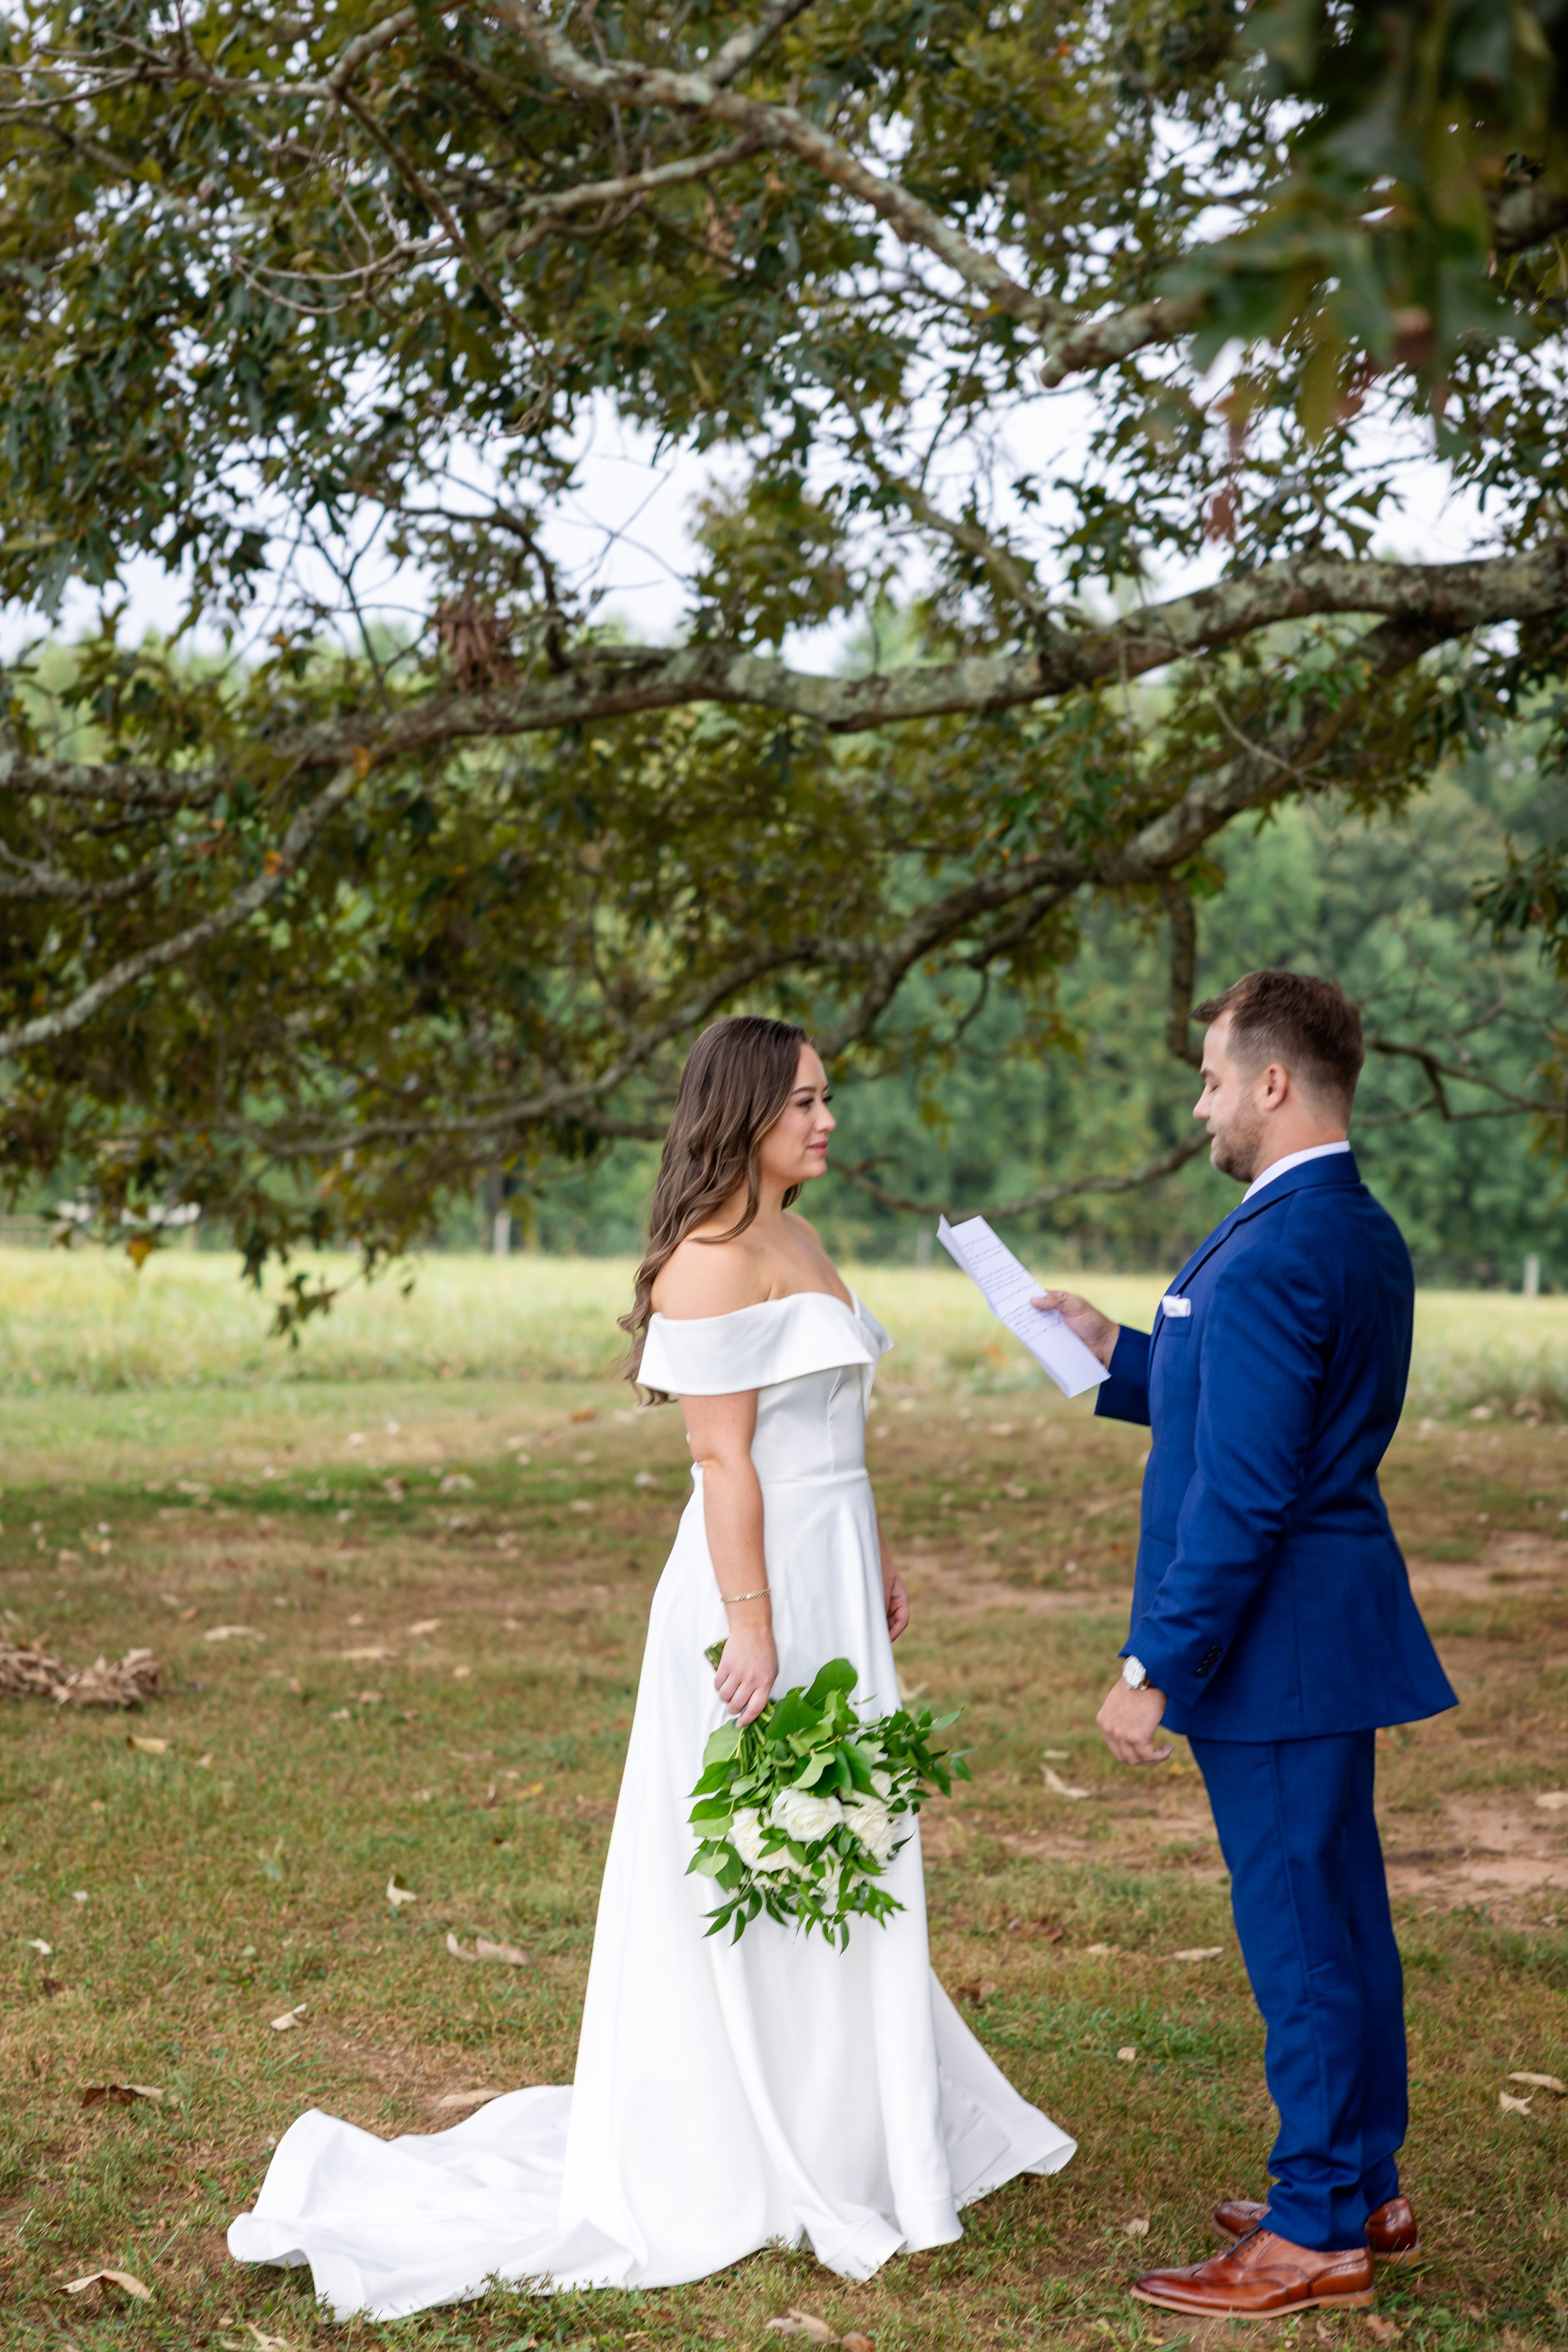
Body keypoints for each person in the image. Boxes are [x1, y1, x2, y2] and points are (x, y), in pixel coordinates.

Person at [230, 1014, 1073, 2320]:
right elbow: (723, 1461)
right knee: (761, 1840)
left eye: (827, 1098)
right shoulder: (706, 1262)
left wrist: (878, 1554)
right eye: (804, 1102)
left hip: (831, 1567)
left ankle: (852, 2111)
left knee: (845, 1837)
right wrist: (752, 1624)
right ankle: (744, 2124)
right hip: (758, 1584)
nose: (826, 1120)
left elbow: (831, 1424)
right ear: (740, 1113)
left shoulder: (797, 1234)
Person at [1036, 970, 1455, 2325]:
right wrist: (1116, 1353)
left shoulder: (1278, 1243)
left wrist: (1151, 1663)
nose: (1201, 1102)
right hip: (1318, 1641)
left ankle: (1315, 2223)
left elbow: (1246, 1487)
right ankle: (1363, 2180)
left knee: (1297, 1936)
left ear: (1272, 1084)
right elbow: (1246, 1400)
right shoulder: (1339, 1222)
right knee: (1337, 1917)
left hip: (1273, 1650)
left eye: (1212, 1077)